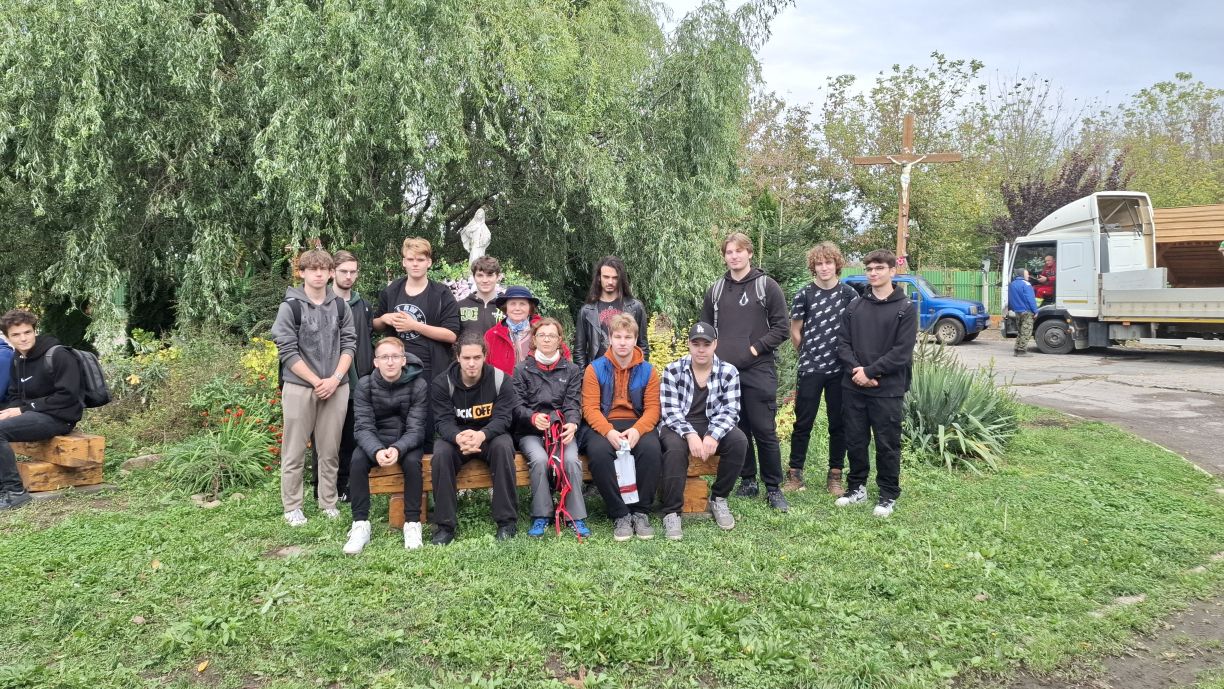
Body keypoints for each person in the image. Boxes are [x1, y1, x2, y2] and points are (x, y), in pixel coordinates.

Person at [700, 232, 790, 512]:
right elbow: (705, 330)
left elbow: (782, 328)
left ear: (749, 253)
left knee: (764, 429)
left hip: (758, 369)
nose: (734, 256)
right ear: (724, 257)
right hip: (726, 374)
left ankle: (773, 488)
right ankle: (748, 480)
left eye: (739, 251)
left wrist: (753, 350)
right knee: (737, 428)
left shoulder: (767, 286)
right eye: (729, 252)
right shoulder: (716, 290)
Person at [272, 249, 357, 526]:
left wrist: (335, 379)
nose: (318, 274)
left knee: (330, 450)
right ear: (302, 273)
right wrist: (315, 381)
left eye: (324, 269)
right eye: (312, 269)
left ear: (331, 273)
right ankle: (292, 506)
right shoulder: (290, 307)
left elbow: (349, 344)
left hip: (336, 386)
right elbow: (287, 349)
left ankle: (328, 501)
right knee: (294, 450)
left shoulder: (341, 307)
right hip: (300, 386)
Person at [834, 249, 917, 518]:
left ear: (892, 271)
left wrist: (870, 371)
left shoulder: (906, 309)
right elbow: (843, 343)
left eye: (879, 268)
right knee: (855, 440)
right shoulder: (855, 307)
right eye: (869, 268)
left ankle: (888, 494)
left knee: (887, 443)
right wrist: (857, 372)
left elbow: (901, 352)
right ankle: (856, 488)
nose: (873, 273)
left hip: (888, 390)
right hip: (853, 386)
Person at [658, 322, 746, 540]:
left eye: (706, 344)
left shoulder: (729, 372)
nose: (701, 349)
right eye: (696, 344)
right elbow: (670, 411)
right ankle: (672, 512)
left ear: (715, 344)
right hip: (678, 424)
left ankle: (719, 498)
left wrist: (713, 435)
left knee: (739, 441)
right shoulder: (672, 370)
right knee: (674, 449)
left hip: (712, 422)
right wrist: (690, 435)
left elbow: (731, 410)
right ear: (688, 344)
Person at [430, 333, 521, 544]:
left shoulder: (501, 380)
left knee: (504, 447)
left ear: (485, 356)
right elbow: (442, 421)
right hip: (457, 436)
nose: (472, 363)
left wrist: (482, 435)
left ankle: (506, 522)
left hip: (489, 434)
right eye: (467, 358)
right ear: (458, 357)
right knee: (441, 453)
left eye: (477, 358)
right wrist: (457, 437)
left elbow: (503, 418)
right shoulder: (442, 382)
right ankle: (445, 526)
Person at [343, 337, 429, 554]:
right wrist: (377, 450)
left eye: (395, 357)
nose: (390, 362)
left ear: (403, 360)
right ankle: (360, 524)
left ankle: (412, 523)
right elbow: (362, 427)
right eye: (384, 357)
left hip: (407, 441)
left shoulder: (418, 385)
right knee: (357, 460)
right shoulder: (364, 386)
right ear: (376, 362)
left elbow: (416, 428)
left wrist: (398, 448)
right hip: (376, 439)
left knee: (412, 463)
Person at [785, 242, 858, 496]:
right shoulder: (804, 295)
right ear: (813, 267)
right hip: (811, 368)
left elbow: (855, 331)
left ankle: (835, 475)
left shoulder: (849, 295)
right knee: (803, 422)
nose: (824, 267)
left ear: (837, 265)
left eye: (828, 262)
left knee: (839, 423)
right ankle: (795, 474)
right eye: (819, 263)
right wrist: (808, 354)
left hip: (840, 370)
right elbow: (795, 331)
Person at [581, 313, 662, 541]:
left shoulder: (648, 370)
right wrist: (608, 431)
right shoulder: (594, 369)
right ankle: (620, 513)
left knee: (651, 449)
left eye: (628, 337)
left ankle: (641, 511)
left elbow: (653, 409)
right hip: (605, 423)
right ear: (610, 338)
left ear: (635, 340)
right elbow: (590, 408)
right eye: (618, 337)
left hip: (636, 422)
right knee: (598, 452)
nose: (623, 342)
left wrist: (638, 429)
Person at [373, 237, 462, 443]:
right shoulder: (392, 290)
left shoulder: (441, 293)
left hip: (429, 369)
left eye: (420, 260)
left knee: (425, 423)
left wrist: (415, 325)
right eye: (410, 259)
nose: (415, 264)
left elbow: (451, 335)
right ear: (403, 262)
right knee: (395, 424)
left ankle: (426, 461)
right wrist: (384, 319)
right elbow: (375, 325)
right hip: (396, 368)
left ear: (429, 262)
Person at [511, 318, 589, 538]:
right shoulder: (521, 369)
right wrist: (532, 417)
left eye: (551, 335)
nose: (547, 339)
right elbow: (516, 405)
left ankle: (575, 516)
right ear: (534, 340)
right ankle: (541, 515)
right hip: (530, 432)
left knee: (571, 459)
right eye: (542, 335)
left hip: (561, 430)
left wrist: (572, 423)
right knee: (539, 460)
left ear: (559, 340)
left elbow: (573, 403)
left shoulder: (572, 369)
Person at [0, 309, 83, 510]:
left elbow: (68, 396)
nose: (23, 339)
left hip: (59, 417)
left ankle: (15, 492)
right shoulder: (17, 358)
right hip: (33, 415)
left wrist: (22, 410)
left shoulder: (58, 354)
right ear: (8, 338)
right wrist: (9, 412)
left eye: (27, 332)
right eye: (16, 335)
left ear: (35, 331)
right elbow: (14, 395)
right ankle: (4, 488)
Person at [310, 249, 373, 503]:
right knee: (324, 438)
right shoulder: (322, 302)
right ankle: (321, 486)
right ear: (332, 272)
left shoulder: (363, 305)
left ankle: (345, 485)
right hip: (329, 380)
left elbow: (366, 339)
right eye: (343, 271)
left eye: (353, 272)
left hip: (359, 382)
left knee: (350, 436)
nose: (348, 276)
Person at [574, 256, 649, 369]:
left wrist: (640, 372)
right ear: (599, 278)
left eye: (615, 278)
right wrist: (584, 376)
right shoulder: (587, 311)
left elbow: (643, 345)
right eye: (606, 277)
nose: (610, 282)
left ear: (620, 279)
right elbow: (579, 351)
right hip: (597, 372)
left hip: (628, 371)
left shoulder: (635, 307)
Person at [485, 286, 569, 376]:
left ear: (530, 308)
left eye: (522, 304)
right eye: (512, 304)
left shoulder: (545, 330)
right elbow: (485, 369)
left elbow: (565, 359)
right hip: (504, 385)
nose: (517, 308)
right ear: (506, 307)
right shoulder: (492, 335)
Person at [458, 255, 504, 339]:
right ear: (474, 277)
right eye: (480, 275)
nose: (485, 280)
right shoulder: (460, 306)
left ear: (498, 277)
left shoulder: (506, 308)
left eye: (490, 275)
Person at [1009, 268, 1039, 357]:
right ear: (1022, 274)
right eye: (1027, 274)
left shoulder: (1012, 284)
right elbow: (1030, 299)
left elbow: (1010, 298)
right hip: (1027, 311)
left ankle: (1017, 350)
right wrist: (1035, 311)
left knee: (1020, 331)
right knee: (1026, 331)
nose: (1028, 276)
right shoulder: (1026, 284)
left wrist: (1013, 308)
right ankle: (1022, 351)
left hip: (1017, 311)